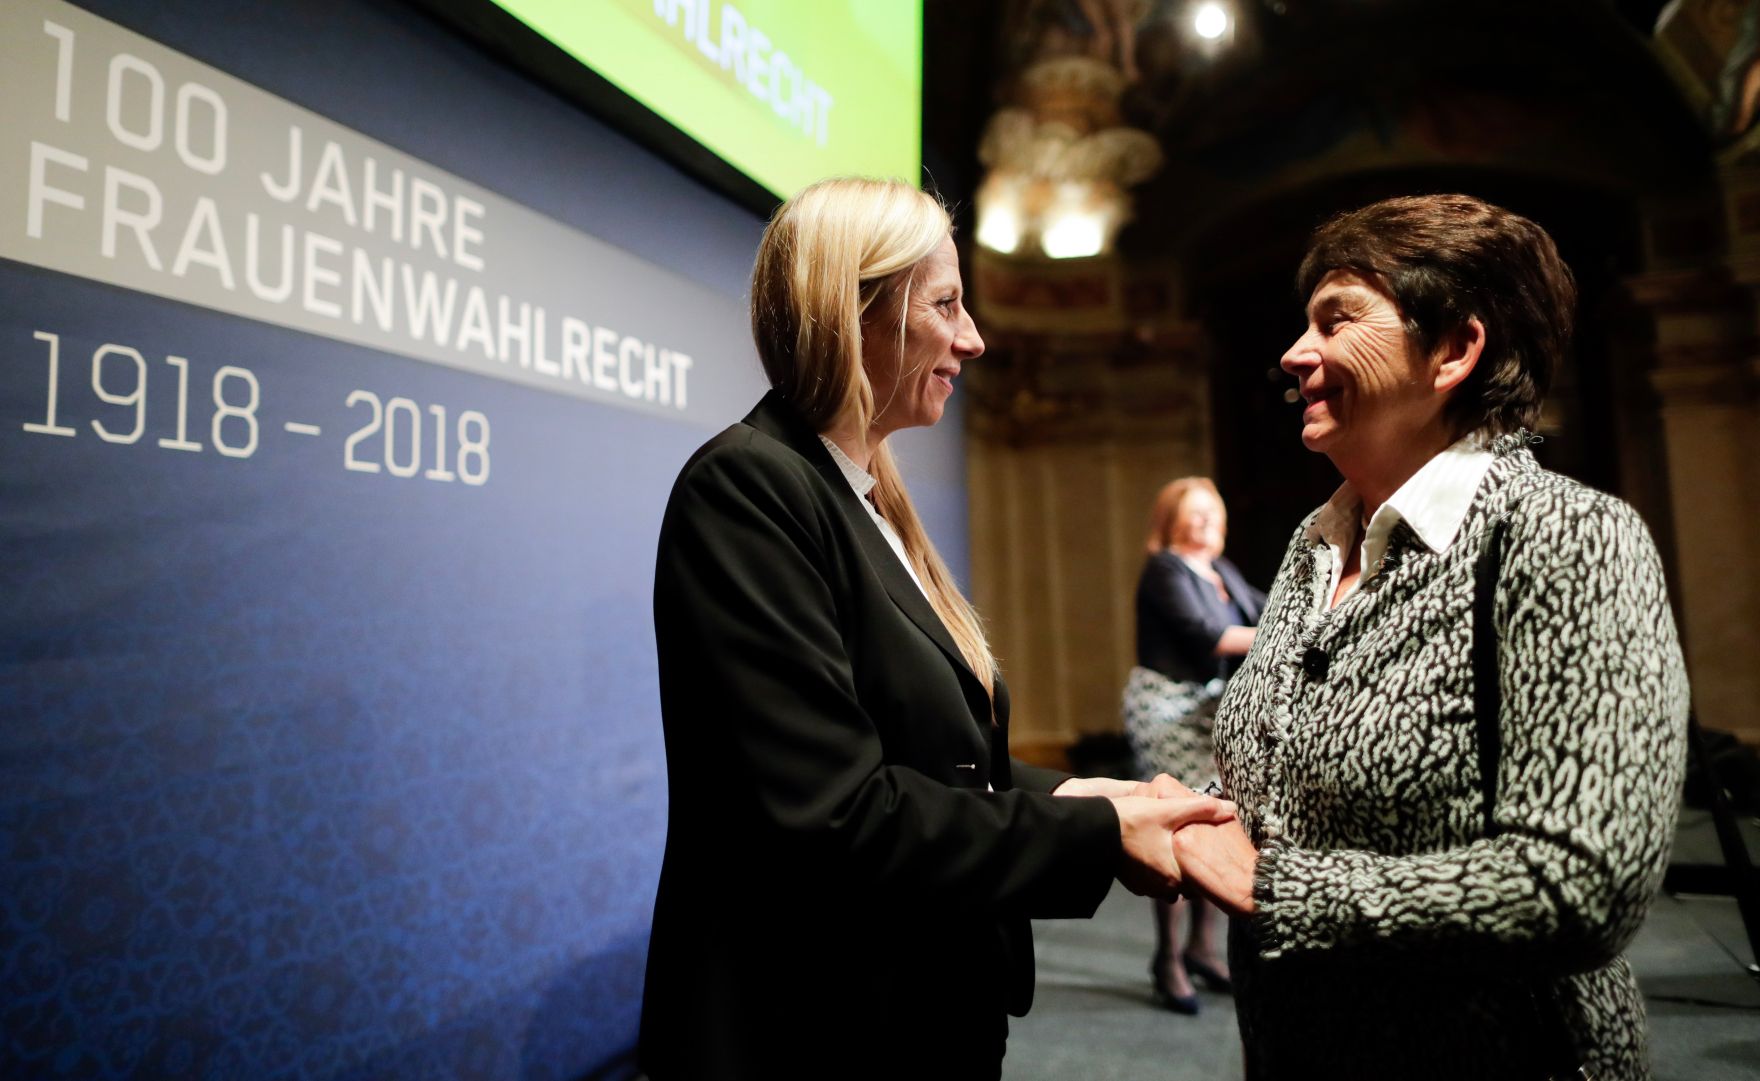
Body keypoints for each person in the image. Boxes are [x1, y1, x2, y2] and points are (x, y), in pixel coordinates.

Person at [638, 177, 1233, 1081]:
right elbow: (836, 817)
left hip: (909, 1013)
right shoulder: (748, 489)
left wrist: (1086, 794)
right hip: (812, 1033)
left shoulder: (866, 498)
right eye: (947, 304)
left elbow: (930, 756)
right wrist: (1099, 838)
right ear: (854, 313)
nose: (974, 338)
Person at [1170, 194, 1690, 1079]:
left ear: (1455, 349)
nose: (1296, 356)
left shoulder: (1567, 537)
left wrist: (1273, 889)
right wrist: (1188, 810)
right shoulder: (1313, 541)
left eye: (1337, 320)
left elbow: (1582, 885)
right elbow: (1305, 768)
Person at [1122, 477, 1265, 1014]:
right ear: (1170, 520)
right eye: (1194, 513)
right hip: (1167, 710)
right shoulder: (1166, 568)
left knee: (1214, 816)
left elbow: (1268, 610)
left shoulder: (1222, 569)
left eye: (1213, 512)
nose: (1206, 521)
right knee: (1177, 823)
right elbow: (1207, 633)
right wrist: (1288, 633)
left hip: (1210, 709)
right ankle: (1168, 961)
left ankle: (1203, 949)